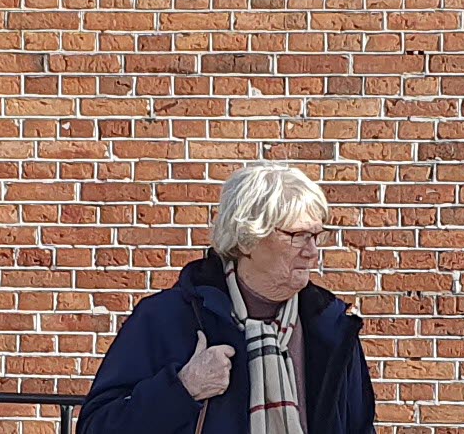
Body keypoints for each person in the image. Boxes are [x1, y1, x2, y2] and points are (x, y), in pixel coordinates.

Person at [81, 162, 374, 434]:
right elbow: (96, 426)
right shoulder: (167, 319)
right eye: (297, 235)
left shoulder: (331, 327)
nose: (312, 252)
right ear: (247, 239)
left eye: (316, 236)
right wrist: (183, 389)